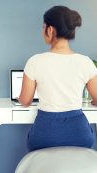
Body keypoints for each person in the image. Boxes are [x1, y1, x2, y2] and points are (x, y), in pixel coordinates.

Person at [18, 6, 97, 151]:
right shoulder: (85, 62)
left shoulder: (35, 61)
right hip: (79, 135)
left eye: (43, 27)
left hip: (45, 135)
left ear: (50, 30)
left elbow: (25, 101)